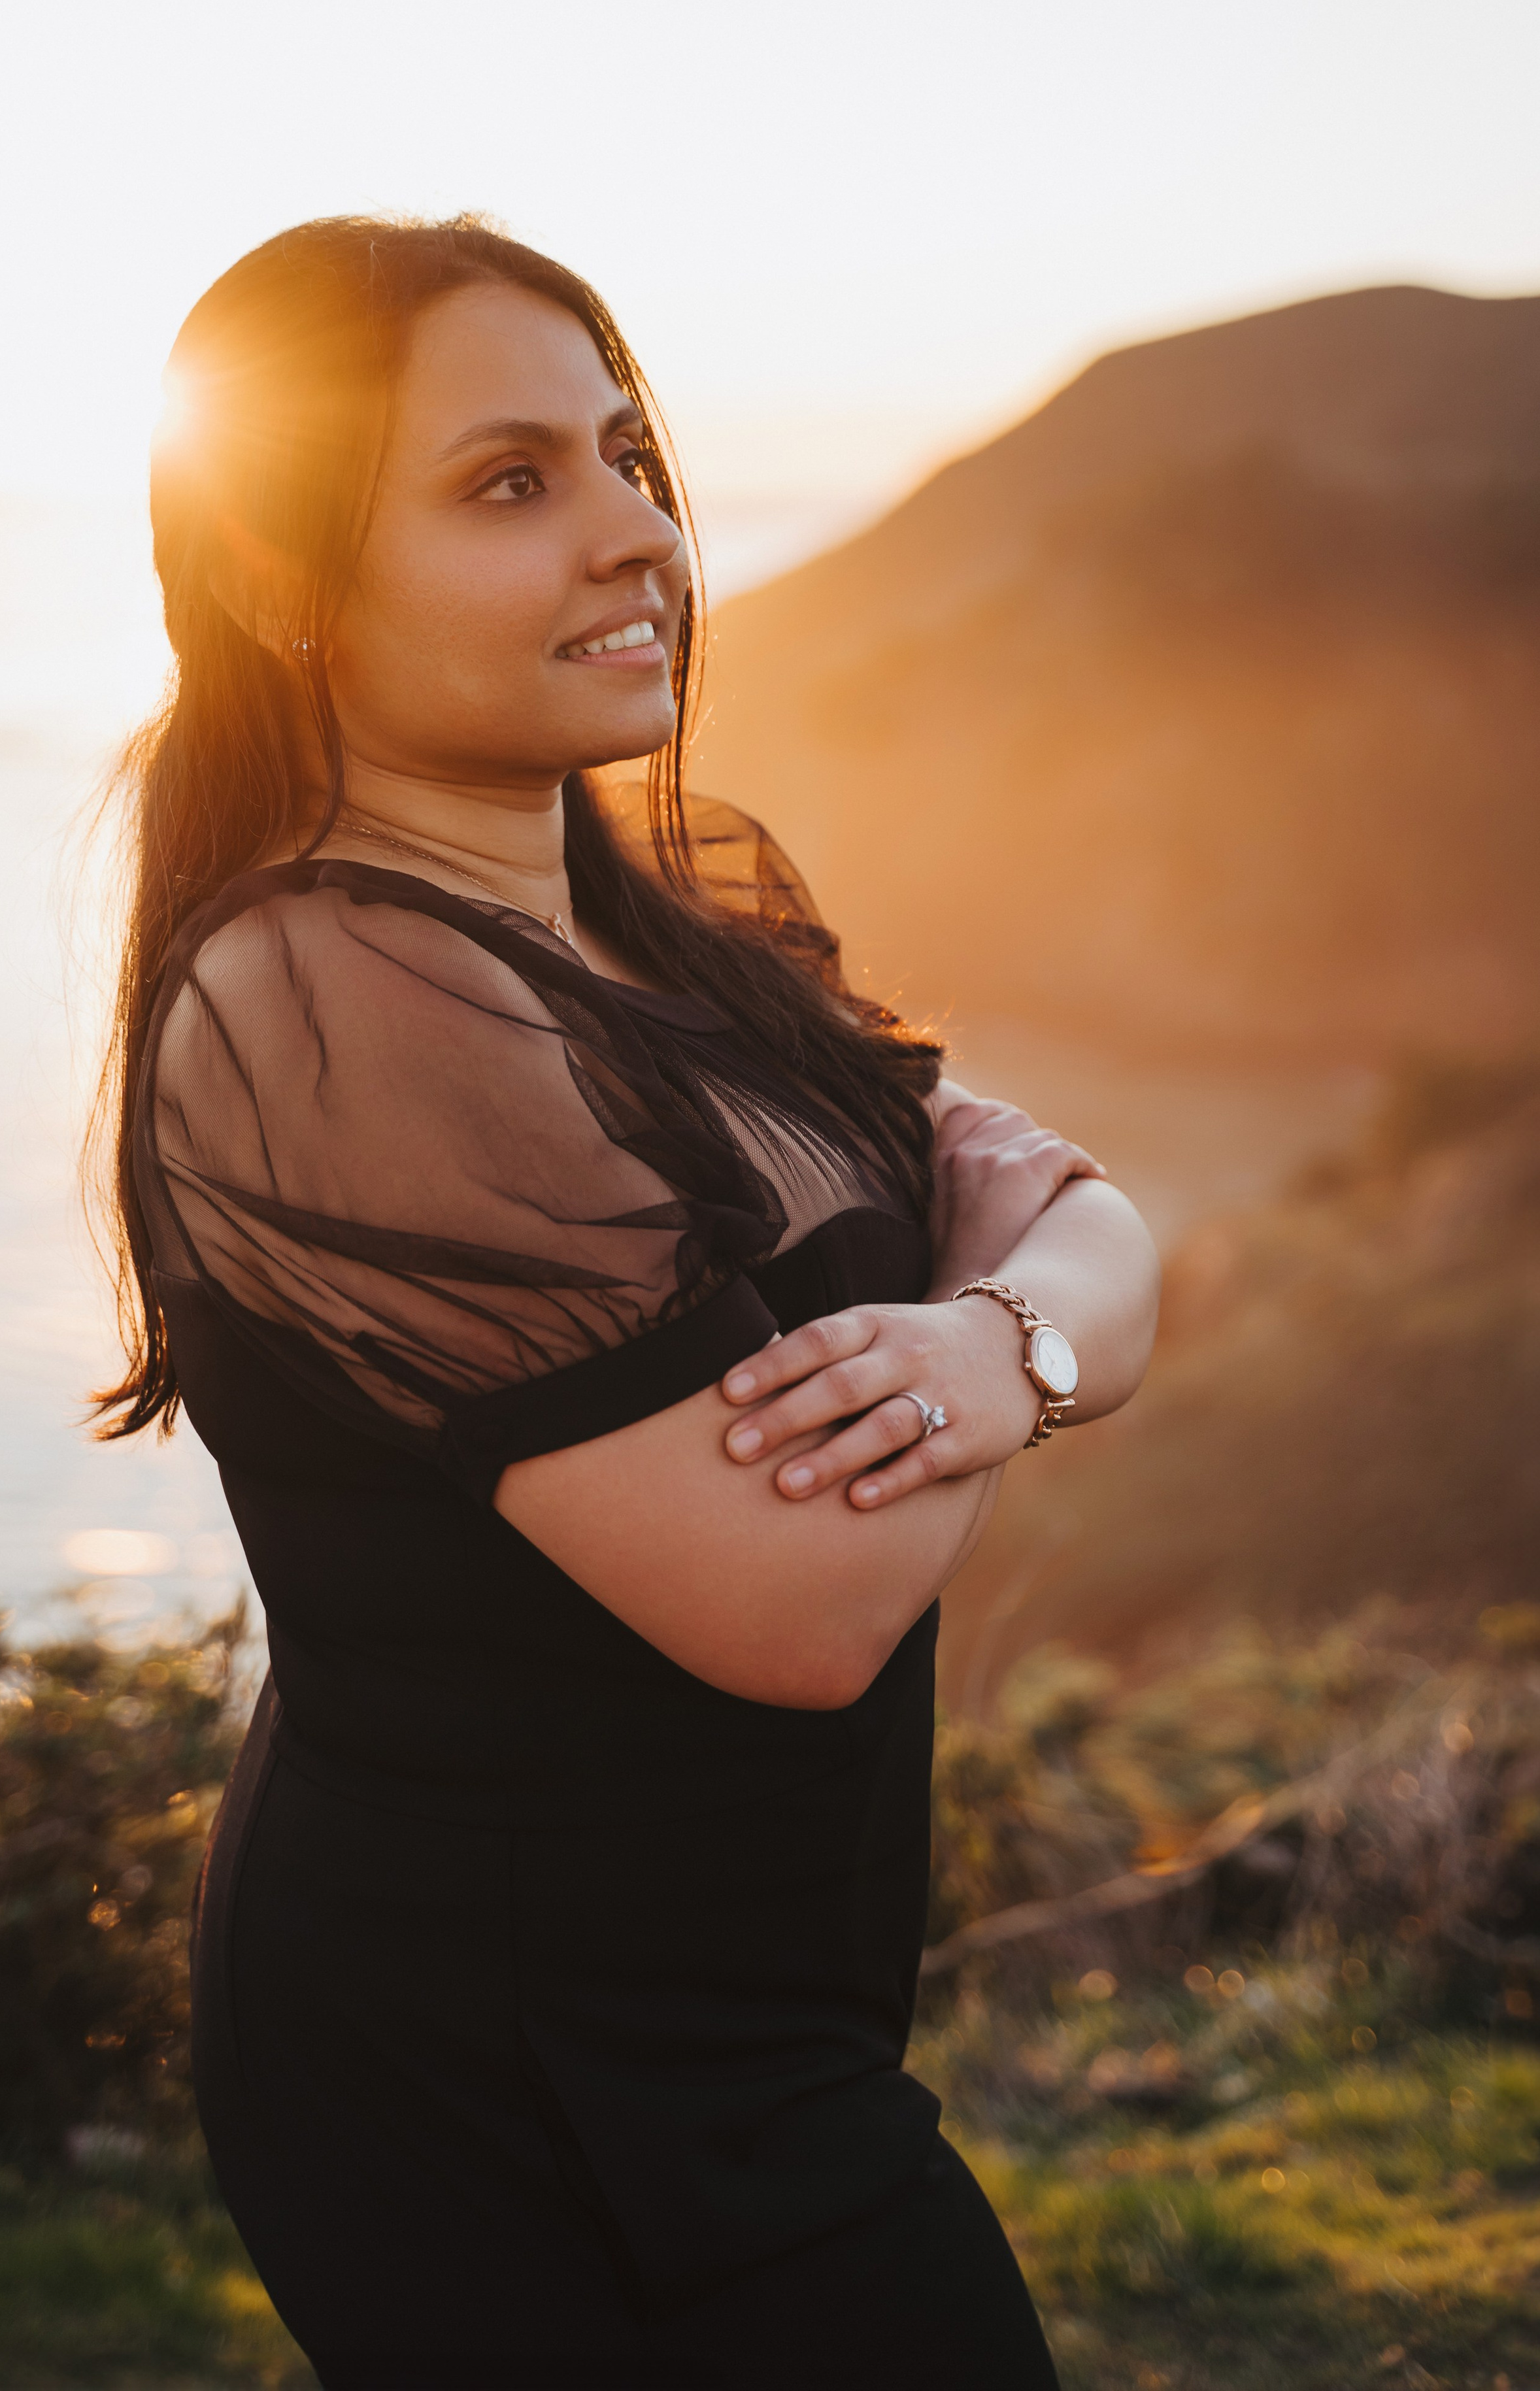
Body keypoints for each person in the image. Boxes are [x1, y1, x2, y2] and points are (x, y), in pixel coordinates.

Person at [92, 214, 1160, 2389]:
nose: (640, 534)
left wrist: (991, 1346)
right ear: (289, 585)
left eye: (623, 452)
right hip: (528, 2076)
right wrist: (1043, 1323)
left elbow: (1072, 1208)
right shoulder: (332, 996)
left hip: (750, 2028)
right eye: (512, 485)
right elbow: (799, 1605)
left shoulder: (673, 897)